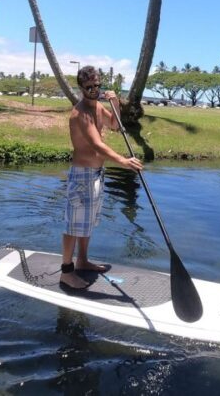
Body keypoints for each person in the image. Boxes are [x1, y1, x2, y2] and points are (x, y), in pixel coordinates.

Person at [60, 65, 143, 289]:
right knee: (74, 225)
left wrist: (114, 103)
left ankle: (83, 261)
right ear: (81, 87)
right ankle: (66, 272)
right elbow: (96, 143)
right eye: (89, 87)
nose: (94, 90)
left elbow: (115, 125)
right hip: (81, 176)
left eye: (97, 85)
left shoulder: (97, 107)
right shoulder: (80, 113)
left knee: (87, 224)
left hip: (96, 174)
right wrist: (123, 161)